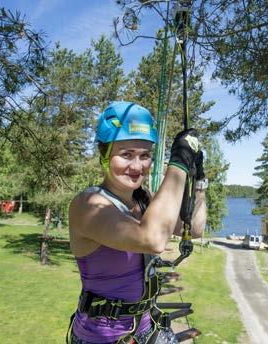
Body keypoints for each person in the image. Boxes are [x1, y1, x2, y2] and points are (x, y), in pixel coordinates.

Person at [67, 101, 207, 344]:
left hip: (146, 328)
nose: (136, 166)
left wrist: (200, 181)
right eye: (126, 154)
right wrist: (179, 161)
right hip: (102, 339)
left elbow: (193, 228)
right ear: (104, 154)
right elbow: (152, 239)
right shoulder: (87, 205)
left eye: (144, 156)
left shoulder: (144, 200)